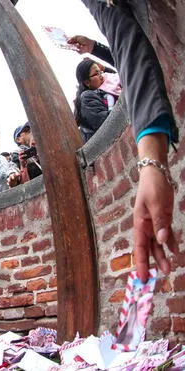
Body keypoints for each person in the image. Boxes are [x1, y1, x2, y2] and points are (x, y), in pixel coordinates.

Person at [68, 1, 180, 283]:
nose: (101, 75)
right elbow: (127, 44)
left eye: (100, 71)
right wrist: (151, 161)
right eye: (95, 73)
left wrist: (94, 46)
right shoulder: (89, 99)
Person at [73, 59, 120, 142]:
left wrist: (105, 68)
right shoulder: (87, 97)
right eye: (97, 73)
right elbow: (106, 123)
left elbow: (117, 78)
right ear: (87, 82)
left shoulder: (104, 91)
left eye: (101, 72)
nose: (102, 76)